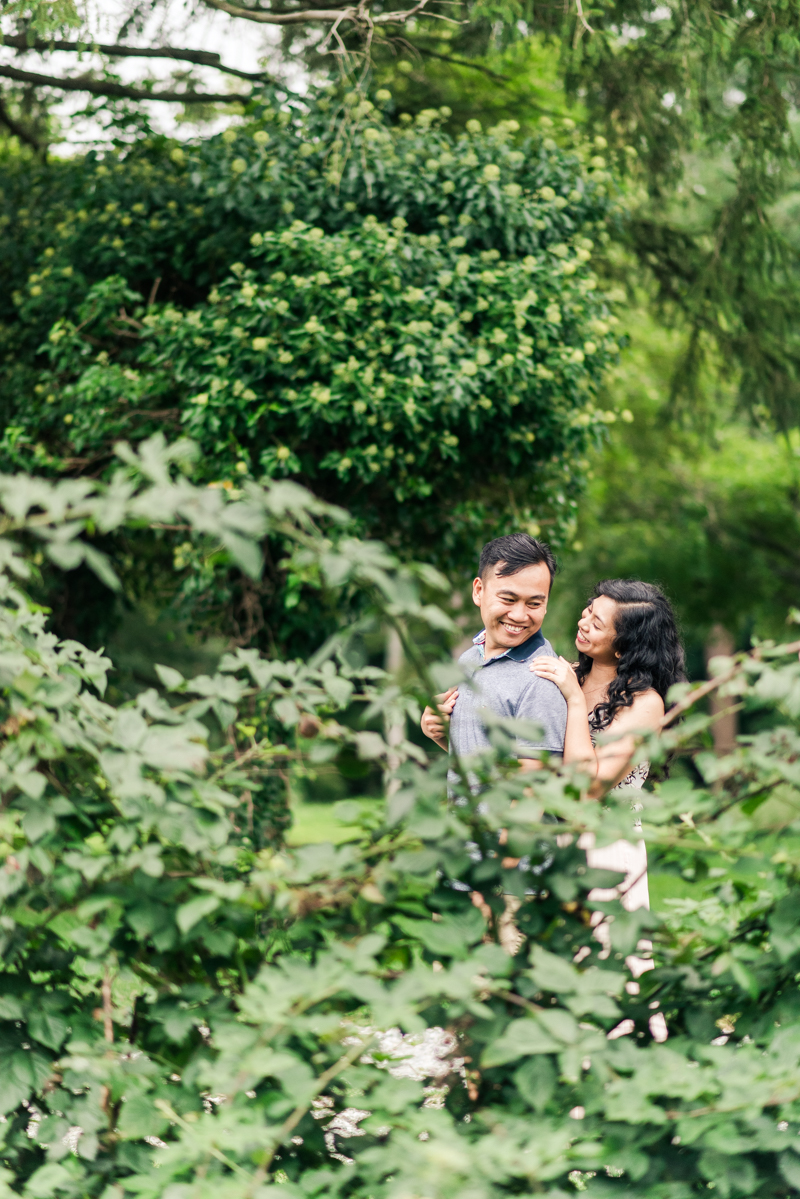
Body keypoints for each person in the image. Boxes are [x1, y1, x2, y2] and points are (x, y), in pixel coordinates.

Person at [530, 578, 685, 911]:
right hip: (546, 840)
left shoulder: (645, 705)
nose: (582, 622)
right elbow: (523, 756)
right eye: (588, 610)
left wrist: (573, 699)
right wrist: (445, 734)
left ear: (623, 648)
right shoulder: (566, 675)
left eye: (596, 623)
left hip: (607, 847)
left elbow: (588, 790)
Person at [420, 533, 567, 771]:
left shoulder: (540, 677)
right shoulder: (469, 658)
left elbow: (533, 793)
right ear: (479, 591)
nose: (519, 615)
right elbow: (480, 761)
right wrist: (438, 731)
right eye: (508, 599)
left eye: (534, 604)